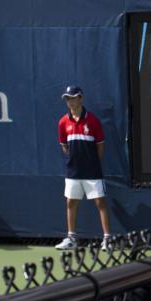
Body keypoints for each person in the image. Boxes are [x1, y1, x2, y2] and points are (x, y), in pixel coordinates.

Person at [55, 85, 111, 250]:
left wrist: (92, 162)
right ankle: (71, 238)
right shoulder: (63, 122)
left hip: (92, 171)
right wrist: (75, 160)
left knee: (100, 202)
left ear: (81, 98)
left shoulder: (93, 121)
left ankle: (107, 239)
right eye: (67, 98)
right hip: (73, 172)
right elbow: (64, 147)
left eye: (73, 98)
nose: (70, 101)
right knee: (71, 202)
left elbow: (100, 147)